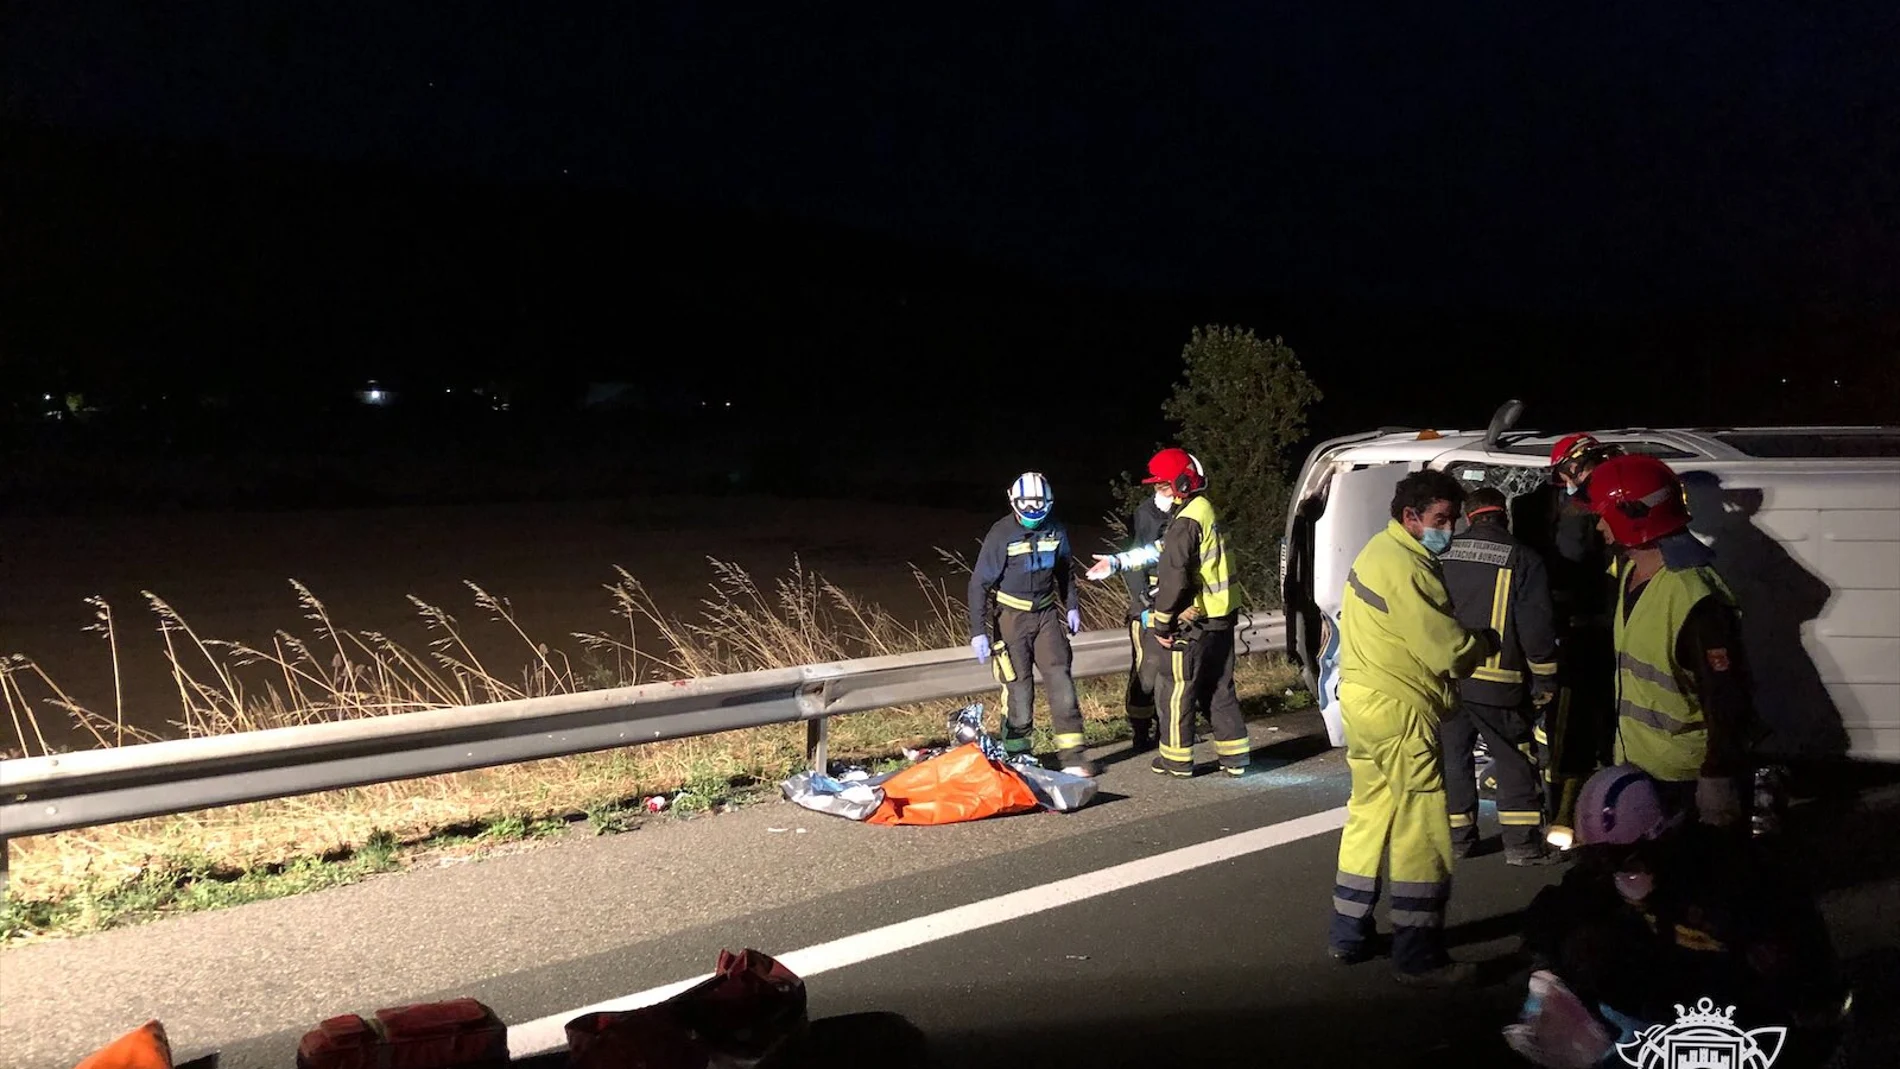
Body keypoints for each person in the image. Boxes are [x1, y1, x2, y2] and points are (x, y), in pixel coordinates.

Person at [1517, 764, 1849, 1068]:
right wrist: (1548, 974)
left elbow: (1813, 991)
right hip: (1676, 1009)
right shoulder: (1611, 872)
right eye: (1600, 859)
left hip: (1752, 1019)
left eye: (1621, 860)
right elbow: (1550, 914)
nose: (1611, 871)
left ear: (1658, 839)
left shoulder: (1731, 880)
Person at [1328, 469, 1498, 985]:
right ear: (1410, 517)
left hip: (1361, 701)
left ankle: (1348, 933)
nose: (1450, 528)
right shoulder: (1409, 567)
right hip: (1401, 708)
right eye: (1441, 519)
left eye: (1453, 518)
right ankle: (1419, 953)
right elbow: (1444, 649)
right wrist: (1483, 642)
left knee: (1368, 813)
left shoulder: (1376, 552)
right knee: (1421, 826)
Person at [1586, 453, 1755, 829]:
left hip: (1684, 779)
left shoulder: (1693, 597)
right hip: (1638, 768)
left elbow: (1726, 694)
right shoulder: (1631, 571)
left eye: (1605, 513)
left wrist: (1717, 775)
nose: (1598, 525)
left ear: (1633, 516)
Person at [1439, 487, 1564, 865]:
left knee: (1453, 759)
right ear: (1503, 517)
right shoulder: (1523, 558)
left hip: (1449, 680)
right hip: (1500, 683)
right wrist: (1545, 679)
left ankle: (1458, 839)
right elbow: (1536, 629)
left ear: (1468, 517)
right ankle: (1522, 845)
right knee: (1513, 759)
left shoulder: (1442, 554)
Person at [1129, 448, 1248, 778]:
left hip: (1193, 620)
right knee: (1220, 686)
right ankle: (1235, 758)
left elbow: (1174, 576)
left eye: (1164, 486)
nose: (1161, 493)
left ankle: (1176, 760)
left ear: (1182, 482)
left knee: (1175, 687)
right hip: (1221, 616)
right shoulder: (1207, 510)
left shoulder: (1185, 523)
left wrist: (1163, 623)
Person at [967, 472, 1093, 776]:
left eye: (1039, 512)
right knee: (1019, 689)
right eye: (1027, 512)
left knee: (1061, 681)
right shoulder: (1001, 534)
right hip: (1011, 618)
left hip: (1047, 616)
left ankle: (1073, 755)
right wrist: (978, 631)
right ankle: (1018, 756)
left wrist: (1072, 606)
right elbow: (979, 584)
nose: (1033, 518)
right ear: (1014, 502)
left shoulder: (1056, 529)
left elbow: (1065, 571)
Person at [1087, 454, 1207, 752]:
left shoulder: (1188, 511)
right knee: (1147, 670)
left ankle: (1174, 729)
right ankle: (1141, 730)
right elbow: (1139, 558)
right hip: (1151, 603)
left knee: (1177, 672)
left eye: (1166, 486)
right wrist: (1141, 605)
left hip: (1180, 604)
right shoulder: (1146, 515)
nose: (1162, 493)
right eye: (1159, 487)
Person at [1543, 433, 1626, 826]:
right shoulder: (1624, 496)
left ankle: (1565, 815)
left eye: (1565, 472)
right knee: (1614, 722)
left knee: (1569, 730)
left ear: (1577, 465)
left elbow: (1569, 568)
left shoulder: (1580, 511)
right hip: (1621, 630)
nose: (1564, 481)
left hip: (1584, 636)